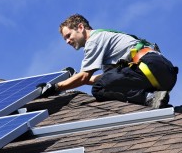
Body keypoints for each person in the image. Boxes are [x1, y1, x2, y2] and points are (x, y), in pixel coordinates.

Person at [37, 14, 178, 108]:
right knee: (104, 82)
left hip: (150, 67)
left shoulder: (94, 40)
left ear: (80, 27)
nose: (67, 41)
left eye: (68, 35)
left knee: (99, 89)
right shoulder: (106, 39)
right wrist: (76, 78)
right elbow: (105, 78)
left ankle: (150, 98)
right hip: (164, 73)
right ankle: (155, 98)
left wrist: (55, 87)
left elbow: (86, 76)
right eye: (65, 39)